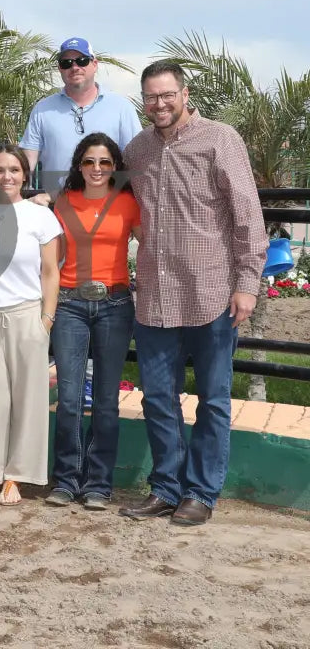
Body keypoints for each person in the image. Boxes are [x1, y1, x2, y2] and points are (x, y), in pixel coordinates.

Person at [119, 61, 267, 527]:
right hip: (156, 297)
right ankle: (166, 488)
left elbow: (248, 216)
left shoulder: (220, 139)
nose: (159, 104)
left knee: (214, 398)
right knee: (157, 397)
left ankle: (201, 493)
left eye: (167, 95)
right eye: (150, 97)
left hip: (212, 294)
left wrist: (247, 284)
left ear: (184, 93)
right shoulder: (136, 150)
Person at [46, 133, 141, 510]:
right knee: (69, 400)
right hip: (70, 305)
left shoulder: (129, 203)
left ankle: (99, 483)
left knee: (105, 400)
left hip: (115, 305)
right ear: (78, 165)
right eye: (89, 162)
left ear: (115, 167)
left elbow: (152, 246)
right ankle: (67, 479)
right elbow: (49, 261)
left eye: (105, 162)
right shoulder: (63, 201)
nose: (97, 169)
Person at [0, 144, 61, 506]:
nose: (7, 177)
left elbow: (51, 272)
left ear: (26, 175)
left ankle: (16, 476)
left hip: (27, 315)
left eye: (15, 170)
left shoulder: (40, 216)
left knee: (28, 399)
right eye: (0, 170)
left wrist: (46, 320)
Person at [20, 37, 141, 191]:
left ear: (95, 64)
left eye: (82, 60)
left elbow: (136, 161)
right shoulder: (42, 109)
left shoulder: (122, 108)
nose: (75, 67)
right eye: (67, 63)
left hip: (107, 207)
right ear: (60, 68)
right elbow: (26, 162)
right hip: (55, 207)